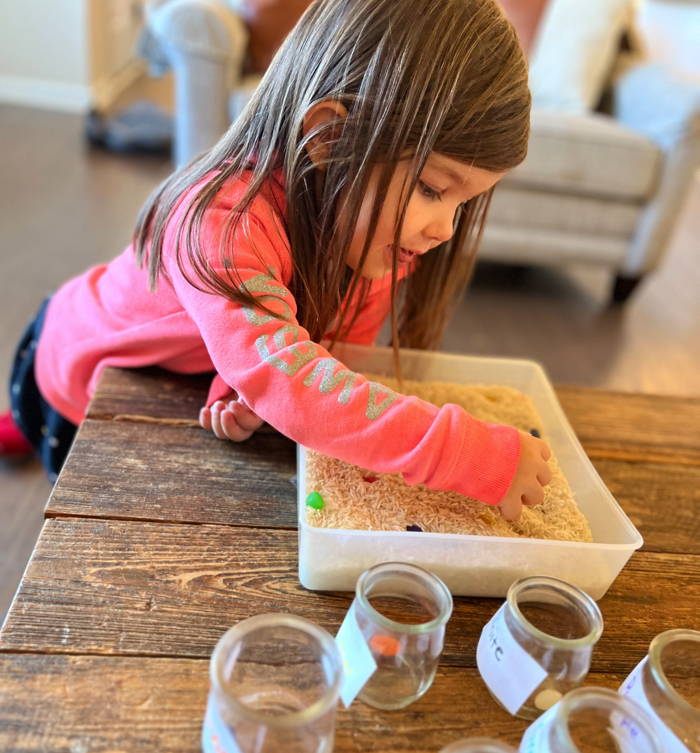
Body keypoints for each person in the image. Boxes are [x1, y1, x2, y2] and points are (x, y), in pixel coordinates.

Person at [1, 0, 552, 520]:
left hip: (181, 362)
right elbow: (298, 385)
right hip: (71, 368)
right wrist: (470, 453)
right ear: (329, 138)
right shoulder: (220, 224)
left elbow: (315, 363)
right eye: (433, 189)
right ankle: (16, 426)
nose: (444, 229)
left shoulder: (377, 241)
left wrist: (247, 375)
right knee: (59, 469)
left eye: (465, 201)